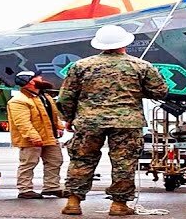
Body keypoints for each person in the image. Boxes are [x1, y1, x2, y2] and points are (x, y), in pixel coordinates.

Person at [57, 25, 168, 217]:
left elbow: (66, 97)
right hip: (127, 123)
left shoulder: (81, 66)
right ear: (125, 43)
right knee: (124, 163)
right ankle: (119, 205)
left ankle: (73, 202)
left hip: (89, 121)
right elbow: (160, 92)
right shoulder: (141, 66)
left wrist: (68, 119)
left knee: (81, 160)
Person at [9, 71, 67, 200]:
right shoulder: (18, 101)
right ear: (29, 81)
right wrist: (33, 137)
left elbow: (52, 114)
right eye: (37, 77)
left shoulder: (44, 96)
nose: (41, 78)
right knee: (28, 163)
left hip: (49, 136)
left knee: (55, 161)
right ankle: (25, 189)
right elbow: (22, 122)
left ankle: (52, 187)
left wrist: (59, 126)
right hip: (32, 139)